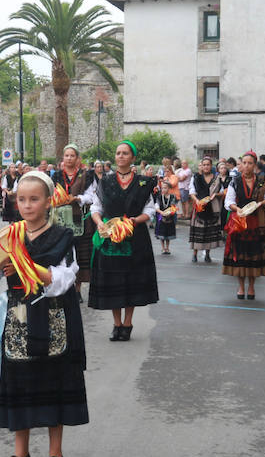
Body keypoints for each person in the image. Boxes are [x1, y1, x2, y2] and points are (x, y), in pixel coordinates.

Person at [0, 169, 88, 457]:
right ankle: (20, 452)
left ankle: (55, 453)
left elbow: (62, 280)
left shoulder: (63, 236)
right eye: (21, 199)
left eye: (34, 199)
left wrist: (24, 265)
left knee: (54, 380)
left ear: (48, 202)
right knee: (20, 383)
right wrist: (0, 262)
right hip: (18, 317)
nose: (27, 205)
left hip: (54, 316)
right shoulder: (7, 236)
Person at [87, 140, 160, 342]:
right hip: (110, 238)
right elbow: (96, 208)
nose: (121, 156)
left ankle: (128, 323)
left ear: (133, 158)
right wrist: (99, 223)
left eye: (125, 153)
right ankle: (116, 324)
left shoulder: (143, 182)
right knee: (113, 281)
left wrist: (135, 221)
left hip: (135, 238)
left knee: (131, 281)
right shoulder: (105, 181)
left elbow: (150, 210)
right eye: (118, 153)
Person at [223, 151, 265, 299]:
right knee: (240, 255)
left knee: (253, 256)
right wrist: (238, 209)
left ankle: (251, 287)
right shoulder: (235, 181)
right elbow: (228, 201)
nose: (247, 166)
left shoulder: (262, 180)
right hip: (240, 222)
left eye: (250, 163)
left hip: (257, 222)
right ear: (241, 165)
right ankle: (241, 286)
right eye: (244, 163)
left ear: (254, 165)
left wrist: (261, 203)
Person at [50, 144, 97, 288]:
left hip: (81, 219)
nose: (69, 158)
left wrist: (77, 199)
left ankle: (77, 286)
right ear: (63, 158)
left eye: (72, 156)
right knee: (63, 251)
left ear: (77, 159)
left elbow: (92, 196)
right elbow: (50, 194)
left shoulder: (86, 175)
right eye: (66, 156)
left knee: (81, 252)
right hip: (61, 218)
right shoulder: (56, 175)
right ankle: (65, 286)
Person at [190, 156, 226, 264]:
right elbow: (191, 192)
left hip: (212, 207)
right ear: (202, 165)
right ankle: (195, 254)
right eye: (204, 164)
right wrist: (197, 201)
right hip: (200, 207)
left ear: (211, 166)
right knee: (198, 231)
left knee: (209, 232)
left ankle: (207, 254)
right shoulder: (196, 177)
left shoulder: (217, 178)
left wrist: (216, 194)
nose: (206, 167)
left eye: (208, 165)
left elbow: (223, 191)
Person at [156, 157, 179, 255]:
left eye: (165, 188)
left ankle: (168, 247)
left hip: (169, 217)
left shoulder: (172, 196)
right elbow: (156, 206)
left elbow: (173, 206)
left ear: (169, 189)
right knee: (162, 234)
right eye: (163, 188)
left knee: (168, 233)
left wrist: (170, 212)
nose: (164, 189)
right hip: (162, 217)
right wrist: (162, 212)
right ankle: (162, 247)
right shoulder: (159, 197)